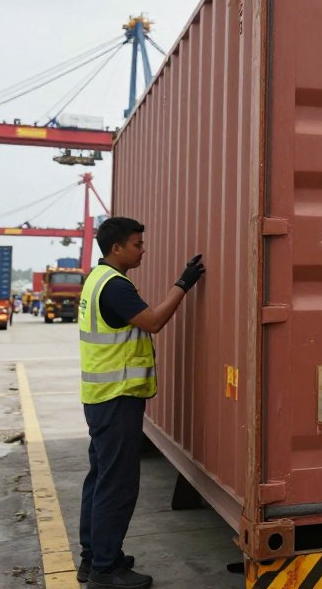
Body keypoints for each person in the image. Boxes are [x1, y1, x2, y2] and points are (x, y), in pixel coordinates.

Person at [77, 216, 205, 589]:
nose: (142, 250)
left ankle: (93, 558)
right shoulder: (115, 286)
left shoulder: (96, 278)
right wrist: (183, 284)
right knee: (117, 486)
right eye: (137, 244)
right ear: (116, 248)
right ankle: (106, 569)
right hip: (117, 398)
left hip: (101, 398)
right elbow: (153, 321)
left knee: (100, 479)